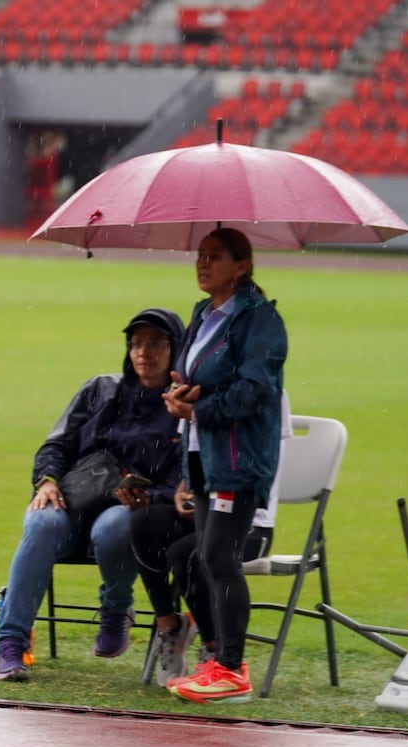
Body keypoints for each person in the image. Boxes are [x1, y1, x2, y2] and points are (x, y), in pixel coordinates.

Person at [0, 308, 185, 682]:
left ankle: (116, 608)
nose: (144, 352)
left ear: (175, 350)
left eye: (156, 344)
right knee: (40, 521)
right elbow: (57, 445)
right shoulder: (101, 389)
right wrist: (47, 480)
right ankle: (11, 643)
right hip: (73, 501)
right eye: (136, 344)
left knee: (115, 527)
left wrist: (152, 498)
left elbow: (184, 476)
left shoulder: (181, 408)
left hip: (126, 514)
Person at [162, 227, 288, 704]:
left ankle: (232, 669)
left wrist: (200, 409)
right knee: (202, 557)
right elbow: (199, 374)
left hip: (239, 458)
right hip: (202, 454)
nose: (202, 264)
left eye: (214, 257)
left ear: (243, 266)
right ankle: (220, 661)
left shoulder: (260, 320)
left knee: (217, 557)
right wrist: (181, 391)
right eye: (199, 255)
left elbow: (256, 389)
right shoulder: (203, 313)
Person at [131, 391, 291, 686]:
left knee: (187, 554)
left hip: (248, 521)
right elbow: (191, 450)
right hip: (205, 509)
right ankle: (170, 625)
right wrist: (184, 490)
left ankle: (215, 652)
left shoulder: (259, 388)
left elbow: (260, 458)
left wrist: (216, 498)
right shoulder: (200, 382)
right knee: (145, 522)